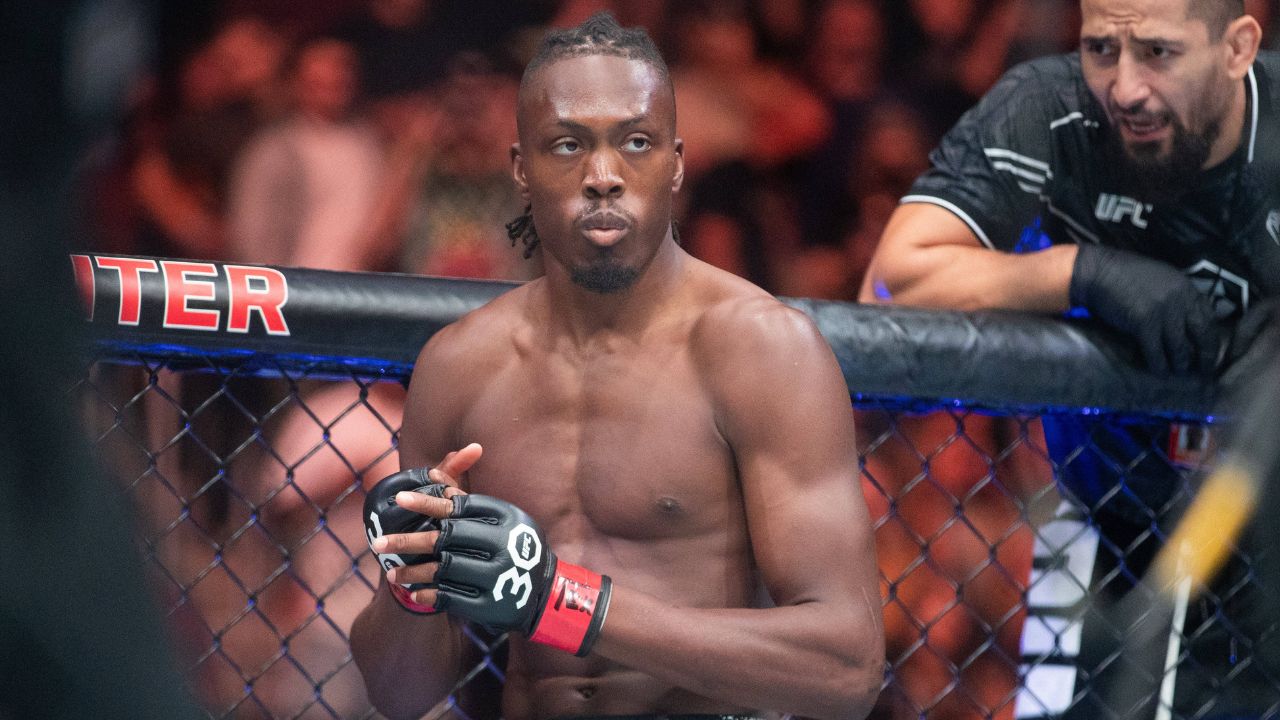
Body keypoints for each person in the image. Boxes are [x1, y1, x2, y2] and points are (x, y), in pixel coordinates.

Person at [349, 12, 884, 720]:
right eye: (568, 145)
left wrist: (560, 601)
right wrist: (409, 586)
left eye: (635, 142)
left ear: (678, 162)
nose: (603, 176)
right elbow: (400, 694)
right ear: (521, 169)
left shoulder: (760, 350)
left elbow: (846, 668)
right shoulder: (458, 368)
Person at [859, 0, 1278, 716]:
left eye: (1158, 54)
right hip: (1110, 529)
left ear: (1238, 49)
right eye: (1100, 49)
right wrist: (1079, 272)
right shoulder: (1050, 111)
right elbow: (890, 285)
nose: (1124, 87)